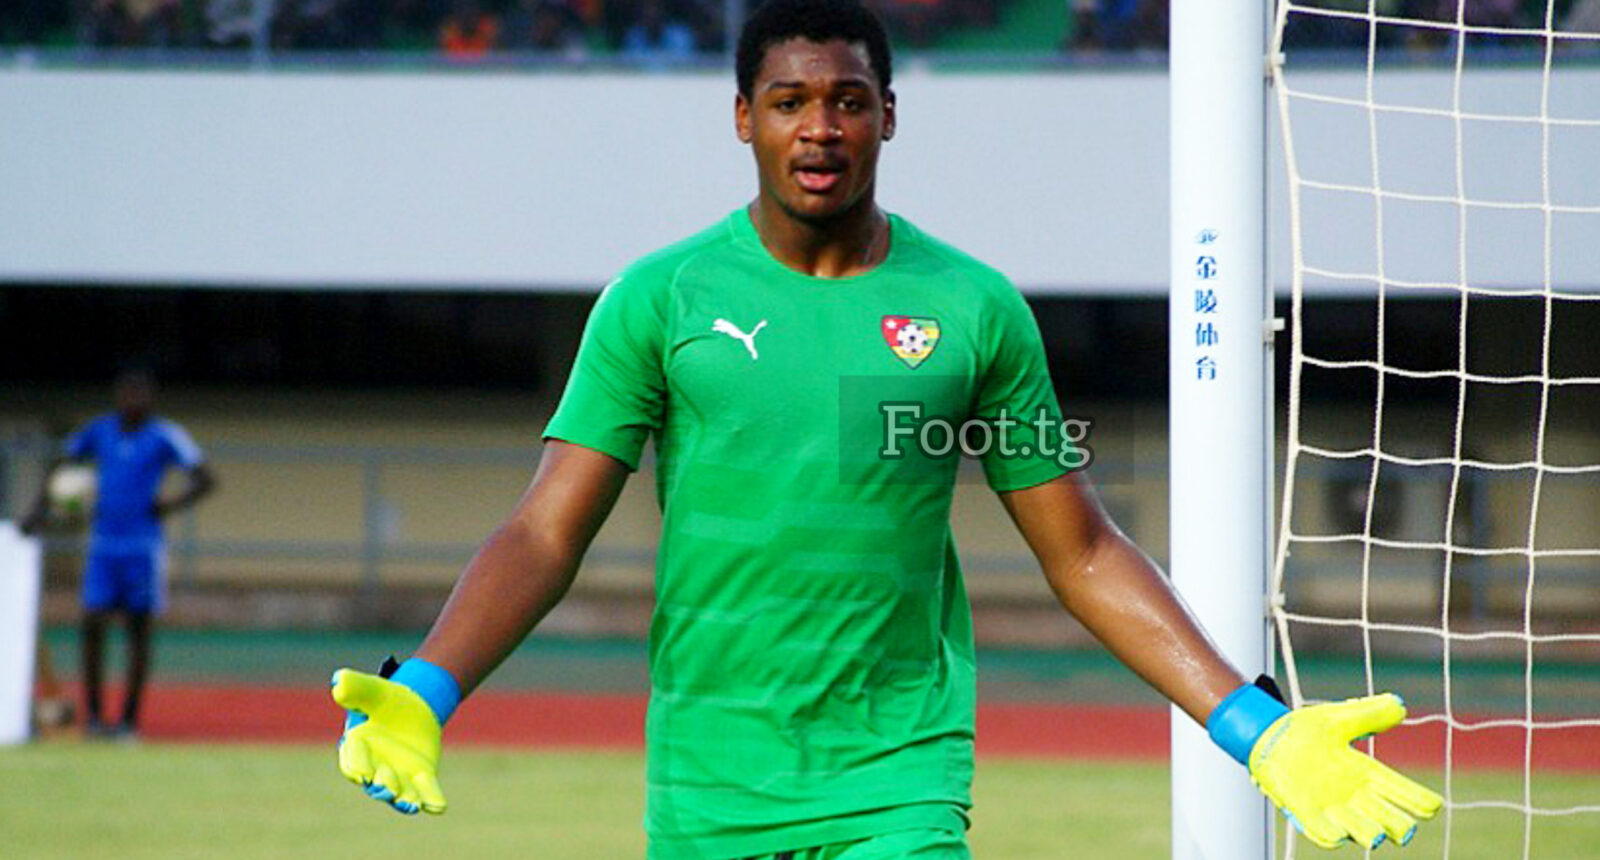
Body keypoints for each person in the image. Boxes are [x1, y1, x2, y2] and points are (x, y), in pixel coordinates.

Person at [330, 0, 1443, 855]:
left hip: (900, 777)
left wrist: (1254, 725)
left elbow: (1083, 551)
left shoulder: (974, 307)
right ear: (743, 118)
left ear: (888, 115)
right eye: (788, 101)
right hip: (708, 783)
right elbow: (545, 531)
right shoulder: (659, 298)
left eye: (848, 100)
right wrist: (429, 685)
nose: (820, 128)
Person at [22, 368, 215, 740]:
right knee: (92, 624)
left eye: (140, 394)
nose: (133, 401)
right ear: (118, 396)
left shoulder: (164, 435)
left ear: (151, 398)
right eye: (127, 393)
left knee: (137, 631)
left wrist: (168, 504)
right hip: (103, 547)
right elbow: (62, 469)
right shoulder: (99, 431)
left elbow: (205, 478)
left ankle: (128, 721)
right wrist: (38, 511)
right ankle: (95, 717)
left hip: (142, 549)